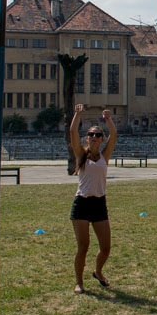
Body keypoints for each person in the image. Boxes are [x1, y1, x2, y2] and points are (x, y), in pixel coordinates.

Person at [68, 104, 117, 294]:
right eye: (91, 134)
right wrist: (77, 114)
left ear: (101, 139)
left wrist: (108, 120)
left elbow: (114, 136)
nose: (94, 137)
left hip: (99, 204)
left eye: (98, 135)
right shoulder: (81, 154)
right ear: (87, 138)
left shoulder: (105, 156)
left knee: (105, 248)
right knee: (83, 246)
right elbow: (73, 131)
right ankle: (79, 283)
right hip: (81, 203)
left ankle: (98, 272)